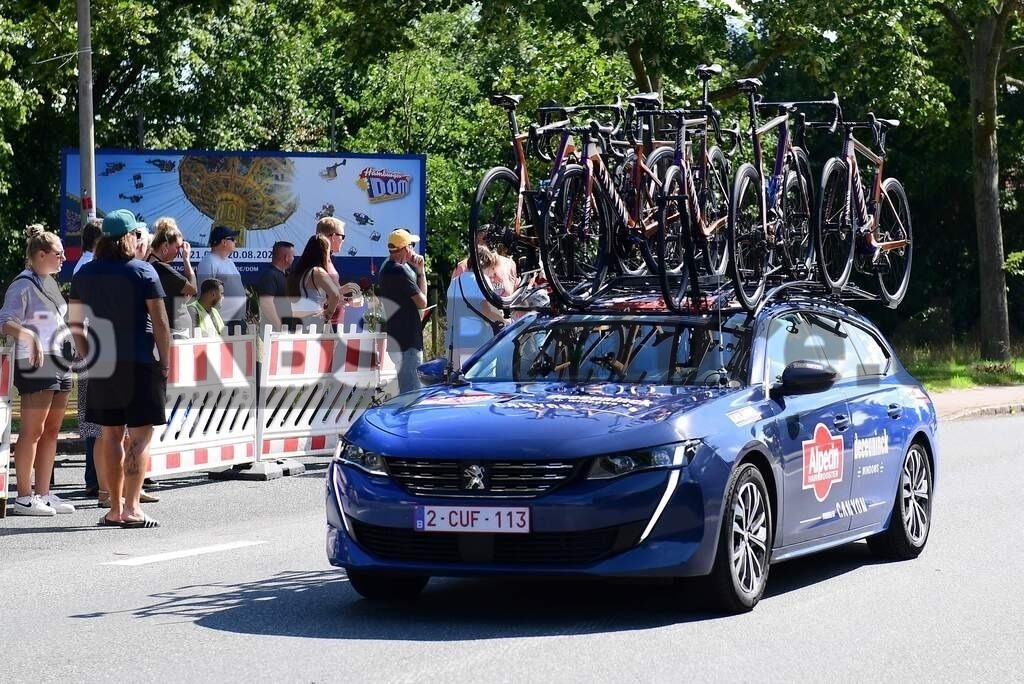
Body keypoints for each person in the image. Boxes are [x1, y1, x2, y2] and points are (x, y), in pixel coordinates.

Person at [70, 208, 169, 528]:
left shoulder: (83, 275)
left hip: (103, 364)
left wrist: (89, 357)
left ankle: (114, 508)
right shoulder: (143, 272)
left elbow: (74, 325)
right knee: (140, 439)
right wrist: (165, 362)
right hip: (139, 362)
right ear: (130, 238)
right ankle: (133, 508)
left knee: (111, 436)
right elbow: (162, 324)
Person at [0, 225, 75, 515]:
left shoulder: (50, 281)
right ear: (41, 254)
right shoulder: (22, 284)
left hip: (58, 358)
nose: (63, 258)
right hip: (34, 362)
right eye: (58, 254)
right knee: (33, 430)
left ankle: (44, 493)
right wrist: (29, 336)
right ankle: (23, 496)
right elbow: (5, 321)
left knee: (52, 430)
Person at [379, 228, 427, 394]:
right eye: (411, 246)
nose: (413, 250)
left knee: (407, 390)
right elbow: (423, 302)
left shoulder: (387, 269)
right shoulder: (399, 271)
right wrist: (421, 272)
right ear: (406, 249)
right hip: (407, 341)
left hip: (397, 337)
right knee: (412, 394)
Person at [445, 245, 508, 368]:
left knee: (459, 381)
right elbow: (486, 309)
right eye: (491, 268)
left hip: (455, 342)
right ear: (486, 264)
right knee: (480, 382)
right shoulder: (481, 280)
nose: (492, 273)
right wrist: (503, 320)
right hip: (477, 342)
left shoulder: (454, 282)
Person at [147, 217, 197, 339]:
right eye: (177, 247)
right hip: (176, 331)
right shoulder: (162, 268)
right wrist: (186, 260)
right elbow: (193, 289)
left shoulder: (148, 264)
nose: (178, 252)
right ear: (165, 246)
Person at [196, 225, 246, 332]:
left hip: (238, 321)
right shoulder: (208, 261)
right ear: (223, 242)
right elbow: (204, 295)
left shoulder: (229, 261)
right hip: (222, 323)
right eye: (232, 239)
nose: (235, 242)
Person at [286, 235, 342, 325]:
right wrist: (328, 314)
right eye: (329, 251)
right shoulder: (317, 271)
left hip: (297, 322)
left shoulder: (297, 272)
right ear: (324, 252)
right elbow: (335, 294)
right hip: (314, 322)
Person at [254, 241, 295, 331]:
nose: (293, 259)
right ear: (286, 257)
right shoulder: (270, 276)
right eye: (292, 256)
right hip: (274, 333)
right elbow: (266, 303)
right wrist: (279, 327)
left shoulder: (285, 275)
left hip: (287, 331)